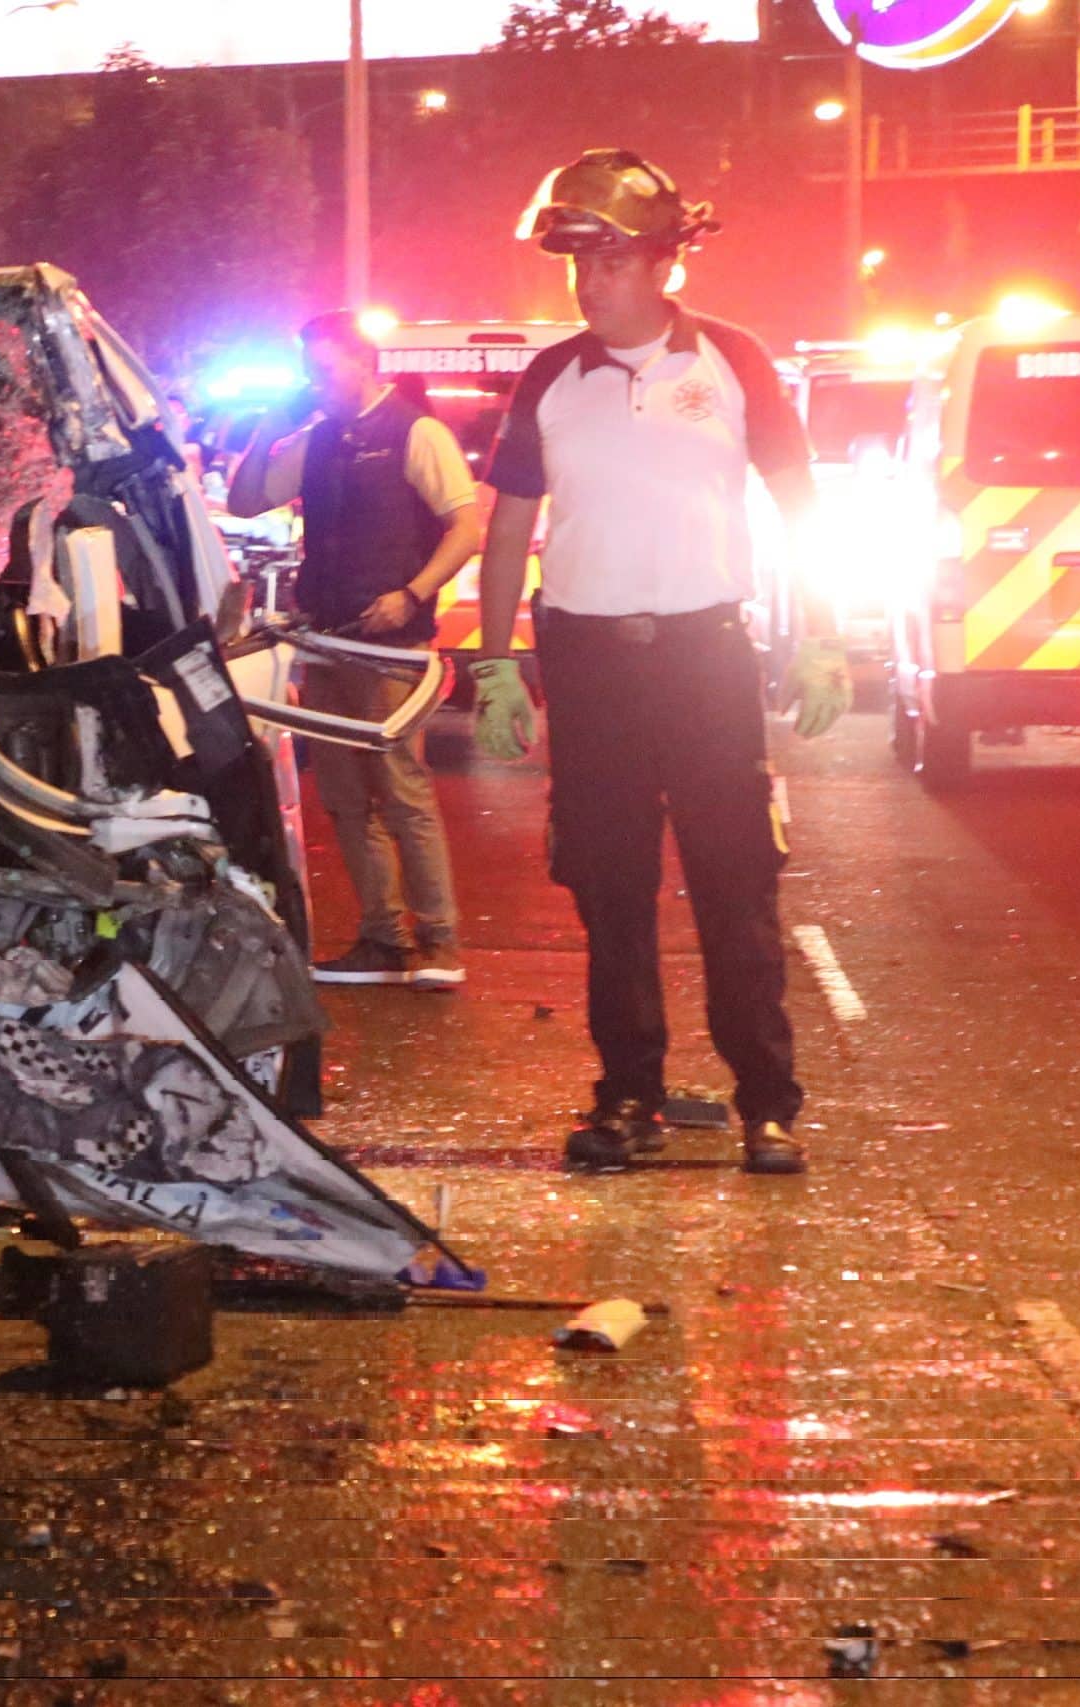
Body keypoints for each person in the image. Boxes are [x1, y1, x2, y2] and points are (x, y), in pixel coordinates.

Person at [469, 147, 852, 1176]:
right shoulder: (549, 376)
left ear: (662, 261)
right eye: (575, 264)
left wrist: (824, 632)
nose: (588, 282)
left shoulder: (733, 362)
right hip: (590, 666)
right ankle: (628, 1096)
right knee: (609, 892)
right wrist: (495, 660)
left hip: (703, 659)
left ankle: (766, 1103)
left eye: (607, 261)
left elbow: (799, 507)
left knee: (736, 890)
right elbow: (507, 527)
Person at [229, 310, 485, 989]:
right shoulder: (316, 440)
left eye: (323, 366)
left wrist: (414, 592)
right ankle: (382, 935)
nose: (314, 381)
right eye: (308, 369)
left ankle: (439, 942)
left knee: (402, 789)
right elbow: (248, 497)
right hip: (325, 635)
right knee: (344, 798)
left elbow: (467, 527)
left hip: (390, 642)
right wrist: (265, 427)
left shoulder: (415, 431)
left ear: (362, 361)